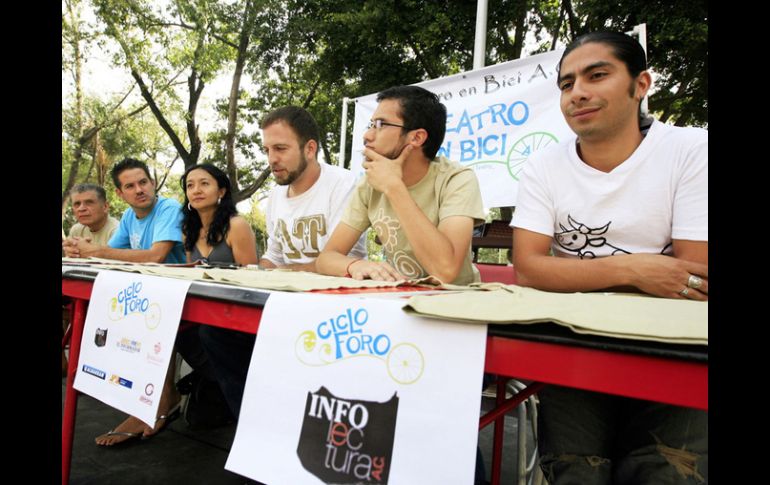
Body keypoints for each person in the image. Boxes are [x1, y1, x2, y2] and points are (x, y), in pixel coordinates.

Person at [510, 32, 708, 483]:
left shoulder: (692, 150)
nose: (577, 92)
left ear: (641, 84)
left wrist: (570, 274)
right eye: (566, 84)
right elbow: (529, 269)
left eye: (596, 75)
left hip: (676, 350)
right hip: (575, 345)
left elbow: (694, 278)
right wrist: (635, 268)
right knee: (575, 472)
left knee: (667, 473)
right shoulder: (543, 166)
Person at [199, 106, 366, 417]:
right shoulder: (276, 196)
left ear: (310, 148)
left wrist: (279, 272)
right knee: (214, 330)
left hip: (332, 302)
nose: (271, 159)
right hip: (284, 299)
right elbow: (274, 255)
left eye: (280, 148)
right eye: (267, 150)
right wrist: (253, 273)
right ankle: (251, 419)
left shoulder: (342, 183)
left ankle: (279, 415)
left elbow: (343, 259)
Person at [66, 158, 186, 446]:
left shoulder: (168, 208)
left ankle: (159, 401)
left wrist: (95, 251)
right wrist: (79, 250)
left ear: (153, 183)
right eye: (130, 186)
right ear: (120, 194)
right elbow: (106, 254)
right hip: (151, 294)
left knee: (141, 316)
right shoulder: (131, 217)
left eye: (143, 182)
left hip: (179, 293)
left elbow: (156, 256)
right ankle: (147, 400)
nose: (139, 190)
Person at [316, 85, 485, 285]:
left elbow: (445, 271)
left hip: (456, 297)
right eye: (371, 125)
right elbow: (326, 259)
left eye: (381, 124)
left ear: (416, 137)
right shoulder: (369, 185)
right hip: (398, 296)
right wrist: (354, 265)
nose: (367, 135)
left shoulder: (456, 179)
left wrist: (394, 188)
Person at [62, 183, 120, 375]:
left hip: (110, 296)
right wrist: (70, 254)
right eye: (77, 204)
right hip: (82, 291)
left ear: (105, 206)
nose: (82, 208)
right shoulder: (77, 229)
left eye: (89, 202)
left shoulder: (116, 230)